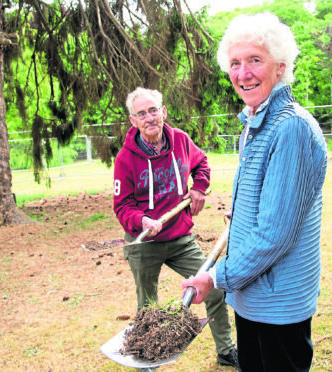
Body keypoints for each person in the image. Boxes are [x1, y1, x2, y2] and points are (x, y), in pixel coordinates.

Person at [181, 12, 327, 372]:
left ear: (280, 67)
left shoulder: (290, 128)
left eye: (254, 60)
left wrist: (214, 278)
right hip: (252, 297)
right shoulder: (255, 121)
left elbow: (275, 235)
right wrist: (242, 214)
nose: (243, 73)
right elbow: (268, 201)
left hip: (278, 303)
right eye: (234, 63)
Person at [113, 87, 239, 369]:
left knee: (215, 290)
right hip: (144, 241)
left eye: (153, 110)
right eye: (141, 114)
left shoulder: (180, 140)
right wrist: (141, 221)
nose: (149, 118)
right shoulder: (125, 159)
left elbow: (201, 163)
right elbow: (122, 206)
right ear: (133, 121)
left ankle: (226, 351)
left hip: (180, 237)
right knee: (148, 307)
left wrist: (200, 189)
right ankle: (148, 361)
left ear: (163, 112)